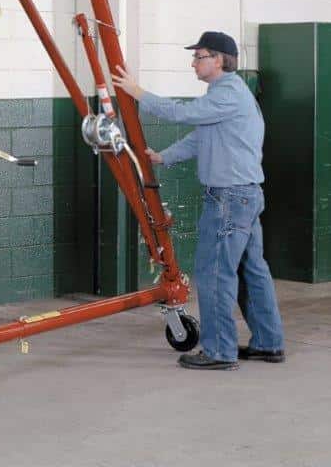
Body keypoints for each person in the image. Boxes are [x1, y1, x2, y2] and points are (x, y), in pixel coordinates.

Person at [111, 31, 285, 370]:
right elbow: (201, 136)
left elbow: (182, 113)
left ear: (218, 60)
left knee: (214, 273)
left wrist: (137, 92)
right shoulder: (226, 95)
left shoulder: (228, 93)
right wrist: (164, 157)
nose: (193, 63)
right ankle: (268, 342)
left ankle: (219, 351)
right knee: (252, 272)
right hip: (244, 197)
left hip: (229, 199)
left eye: (199, 56)